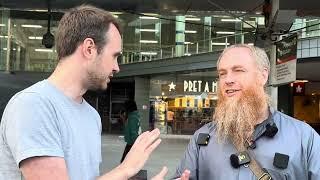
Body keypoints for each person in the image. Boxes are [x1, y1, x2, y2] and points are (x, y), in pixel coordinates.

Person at [0, 5, 190, 180]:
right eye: (115, 56)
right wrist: (124, 170)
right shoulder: (34, 106)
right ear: (89, 49)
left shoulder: (92, 117)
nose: (117, 67)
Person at [174, 44, 320, 179]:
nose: (228, 79)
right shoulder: (202, 138)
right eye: (222, 73)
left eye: (238, 70)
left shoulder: (304, 138)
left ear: (263, 76)